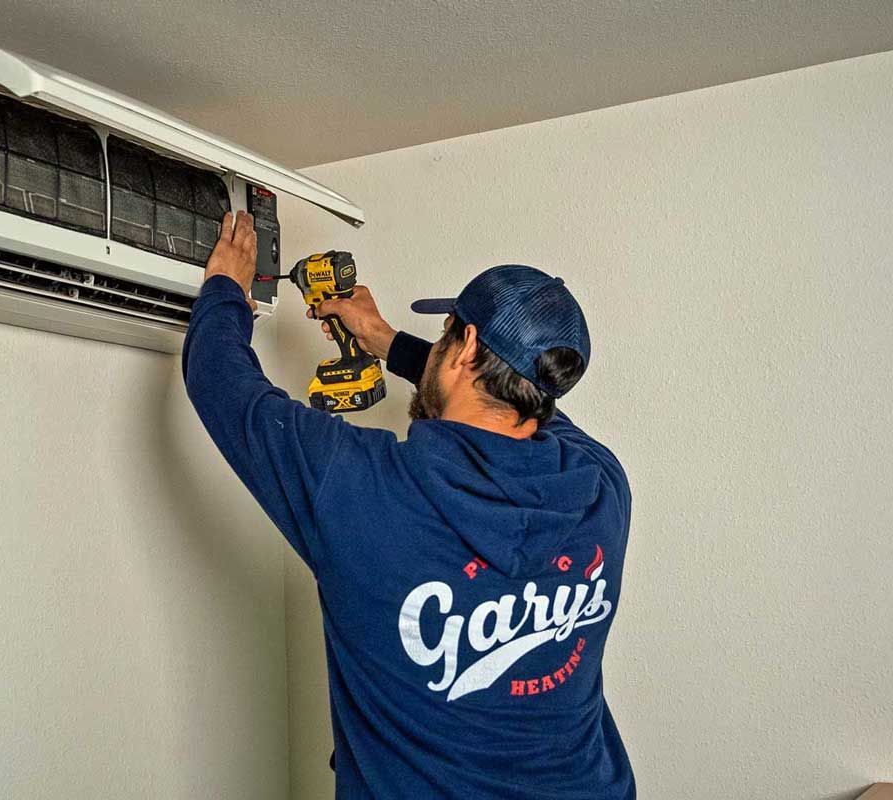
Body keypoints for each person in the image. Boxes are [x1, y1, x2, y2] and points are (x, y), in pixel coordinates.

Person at [183, 212, 635, 800]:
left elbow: (220, 381)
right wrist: (384, 341)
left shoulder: (358, 487)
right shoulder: (602, 486)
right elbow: (524, 396)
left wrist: (226, 288)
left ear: (466, 344)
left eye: (449, 330)